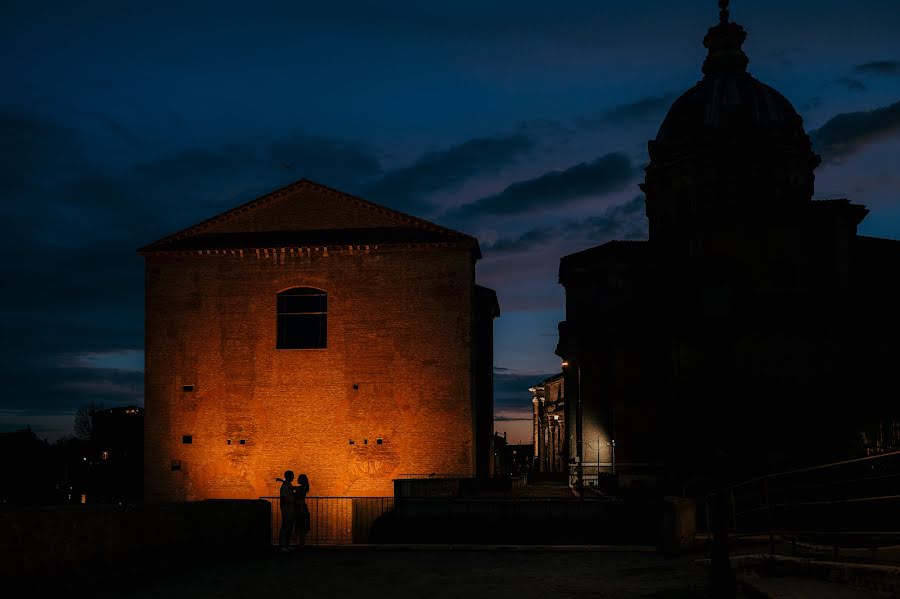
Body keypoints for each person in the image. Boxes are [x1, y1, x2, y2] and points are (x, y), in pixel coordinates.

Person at [278, 470, 296, 552]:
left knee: (289, 527)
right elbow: (283, 498)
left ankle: (287, 544)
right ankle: (282, 545)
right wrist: (292, 500)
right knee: (285, 527)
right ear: (288, 477)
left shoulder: (288, 485)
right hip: (286, 509)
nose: (293, 477)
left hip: (290, 508)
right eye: (292, 476)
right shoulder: (284, 487)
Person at [294, 473, 311, 547]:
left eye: (299, 478)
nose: (297, 479)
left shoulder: (301, 488)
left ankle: (300, 544)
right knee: (302, 526)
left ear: (302, 480)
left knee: (300, 525)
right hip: (302, 507)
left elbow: (292, 488)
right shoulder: (304, 488)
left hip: (300, 508)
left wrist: (282, 481)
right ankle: (301, 543)